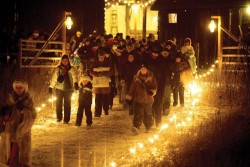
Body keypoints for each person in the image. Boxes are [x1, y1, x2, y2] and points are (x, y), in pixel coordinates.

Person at [2, 80, 36, 167]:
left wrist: (23, 110)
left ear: (24, 88)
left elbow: (33, 113)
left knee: (20, 147)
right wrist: (6, 113)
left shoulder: (28, 100)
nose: (18, 89)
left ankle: (20, 163)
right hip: (11, 127)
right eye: (16, 87)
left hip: (22, 127)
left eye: (20, 87)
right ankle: (11, 162)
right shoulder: (11, 98)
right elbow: (6, 109)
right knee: (10, 146)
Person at [126, 65, 157, 135]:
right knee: (138, 114)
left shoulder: (151, 78)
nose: (143, 71)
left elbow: (154, 87)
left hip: (148, 99)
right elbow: (132, 88)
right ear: (139, 70)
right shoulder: (136, 78)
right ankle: (136, 127)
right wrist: (129, 97)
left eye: (144, 69)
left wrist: (152, 92)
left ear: (147, 70)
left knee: (148, 114)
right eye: (142, 69)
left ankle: (148, 126)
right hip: (138, 100)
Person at [49, 54, 78, 123]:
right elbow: (54, 78)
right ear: (61, 61)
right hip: (59, 88)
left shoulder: (71, 69)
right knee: (58, 104)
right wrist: (51, 86)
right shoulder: (58, 69)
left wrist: (76, 83)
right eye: (63, 61)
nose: (65, 62)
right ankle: (59, 117)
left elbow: (74, 77)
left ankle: (66, 119)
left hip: (69, 89)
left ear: (68, 61)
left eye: (66, 61)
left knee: (67, 104)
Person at [89, 49, 113, 117]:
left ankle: (105, 109)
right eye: (100, 57)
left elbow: (111, 72)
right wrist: (96, 74)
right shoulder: (94, 62)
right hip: (97, 82)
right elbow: (90, 71)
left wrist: (104, 73)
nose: (101, 59)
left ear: (104, 56)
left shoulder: (108, 62)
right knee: (98, 97)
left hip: (105, 82)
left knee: (105, 97)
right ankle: (97, 112)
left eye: (102, 57)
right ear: (98, 56)